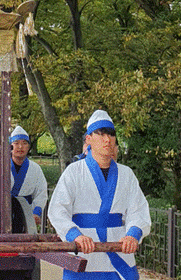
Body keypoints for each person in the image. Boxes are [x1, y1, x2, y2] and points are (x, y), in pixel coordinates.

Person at [48, 109, 151, 280]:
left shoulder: (127, 174)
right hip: (83, 254)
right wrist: (75, 236)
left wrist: (133, 233)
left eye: (111, 134)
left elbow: (138, 210)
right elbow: (57, 210)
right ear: (88, 139)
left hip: (118, 251)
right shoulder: (73, 172)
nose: (107, 139)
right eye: (100, 133)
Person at [9, 126, 48, 233]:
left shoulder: (35, 168)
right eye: (16, 143)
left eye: (24, 143)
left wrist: (36, 212)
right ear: (10, 146)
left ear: (29, 147)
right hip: (5, 213)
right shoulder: (3, 166)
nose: (20, 147)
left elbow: (41, 193)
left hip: (27, 213)